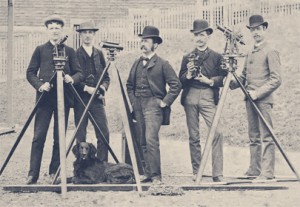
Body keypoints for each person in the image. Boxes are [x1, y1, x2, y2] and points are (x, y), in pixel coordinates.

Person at [26, 14, 84, 184]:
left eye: (57, 28)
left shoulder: (70, 51)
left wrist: (72, 79)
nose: (54, 31)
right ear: (47, 31)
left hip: (63, 100)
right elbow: (30, 73)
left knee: (59, 138)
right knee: (38, 136)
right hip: (44, 100)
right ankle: (32, 174)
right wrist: (40, 85)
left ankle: (55, 172)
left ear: (62, 30)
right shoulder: (39, 50)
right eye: (51, 28)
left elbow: (79, 72)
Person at [126, 26, 181, 184]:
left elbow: (176, 85)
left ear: (155, 45)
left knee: (151, 140)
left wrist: (164, 102)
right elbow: (129, 85)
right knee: (142, 140)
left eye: (146, 41)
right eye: (142, 40)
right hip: (138, 106)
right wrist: (133, 101)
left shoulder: (163, 64)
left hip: (153, 106)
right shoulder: (136, 63)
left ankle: (156, 176)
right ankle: (148, 173)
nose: (142, 44)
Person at [230, 15, 281, 180]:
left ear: (264, 29)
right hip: (249, 100)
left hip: (263, 100)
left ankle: (267, 173)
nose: (256, 33)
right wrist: (232, 82)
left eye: (258, 29)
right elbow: (244, 75)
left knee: (267, 136)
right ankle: (254, 169)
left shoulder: (270, 50)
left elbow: (276, 79)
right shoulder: (250, 51)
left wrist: (258, 93)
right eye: (253, 30)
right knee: (253, 136)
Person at [179, 19, 227, 182]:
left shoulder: (217, 56)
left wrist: (210, 81)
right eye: (196, 35)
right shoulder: (187, 57)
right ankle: (196, 171)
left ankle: (217, 173)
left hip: (208, 95)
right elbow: (180, 79)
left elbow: (224, 78)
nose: (199, 38)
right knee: (194, 135)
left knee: (217, 132)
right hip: (190, 96)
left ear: (208, 36)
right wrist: (188, 75)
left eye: (202, 35)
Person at [74, 20, 110, 162]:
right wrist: (86, 88)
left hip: (96, 100)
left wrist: (101, 88)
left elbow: (106, 77)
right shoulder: (75, 54)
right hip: (80, 100)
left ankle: (101, 165)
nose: (87, 35)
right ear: (80, 35)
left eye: (90, 32)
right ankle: (81, 167)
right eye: (84, 33)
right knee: (80, 136)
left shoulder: (99, 54)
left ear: (94, 34)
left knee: (104, 133)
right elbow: (72, 79)